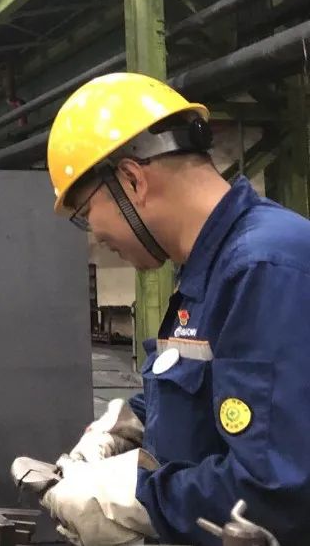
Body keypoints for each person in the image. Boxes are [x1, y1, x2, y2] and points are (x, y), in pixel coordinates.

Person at [15, 72, 310, 544]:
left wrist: (132, 498)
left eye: (86, 215)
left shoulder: (265, 268)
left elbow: (273, 491)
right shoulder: (206, 271)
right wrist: (131, 425)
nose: (96, 236)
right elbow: (206, 401)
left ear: (132, 180)